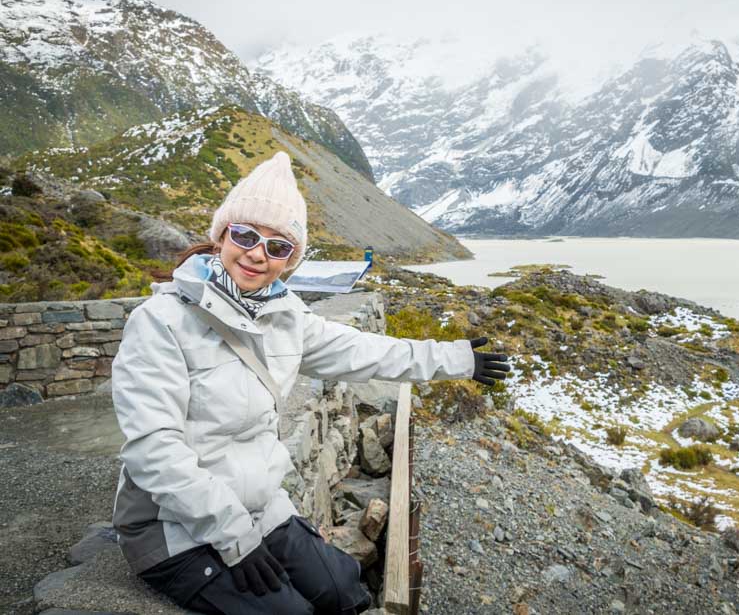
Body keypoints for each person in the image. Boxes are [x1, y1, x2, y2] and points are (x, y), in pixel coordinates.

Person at [109, 151, 511, 615]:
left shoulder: (285, 317)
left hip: (259, 509)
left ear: (290, 261)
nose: (258, 253)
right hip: (174, 526)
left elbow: (364, 350)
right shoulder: (161, 321)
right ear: (222, 235)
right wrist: (235, 536)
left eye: (278, 246)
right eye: (246, 234)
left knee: (344, 588)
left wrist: (454, 359)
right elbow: (153, 450)